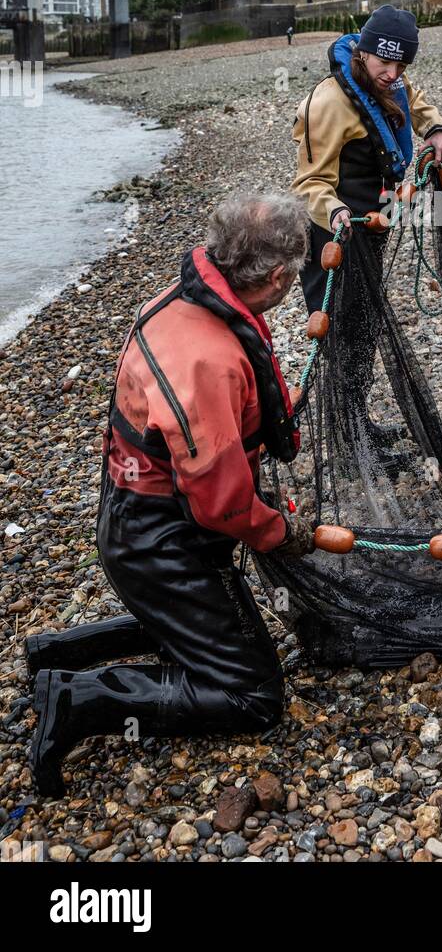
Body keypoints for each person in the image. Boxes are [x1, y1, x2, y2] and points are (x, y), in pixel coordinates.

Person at [27, 193, 314, 798]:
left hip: (136, 512)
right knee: (252, 693)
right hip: (158, 540)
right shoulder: (206, 361)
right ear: (281, 276)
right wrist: (279, 534)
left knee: (192, 631)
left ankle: (51, 653)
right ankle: (78, 700)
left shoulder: (187, 299)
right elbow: (223, 505)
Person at [291, 4, 442, 438]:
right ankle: (347, 434)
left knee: (364, 326)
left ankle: (356, 420)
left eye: (402, 63)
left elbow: (413, 101)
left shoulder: (392, 80)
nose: (394, 73)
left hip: (372, 227)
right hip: (334, 234)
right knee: (342, 330)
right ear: (362, 52)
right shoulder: (326, 102)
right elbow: (309, 183)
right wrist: (337, 211)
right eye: (385, 61)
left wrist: (435, 128)